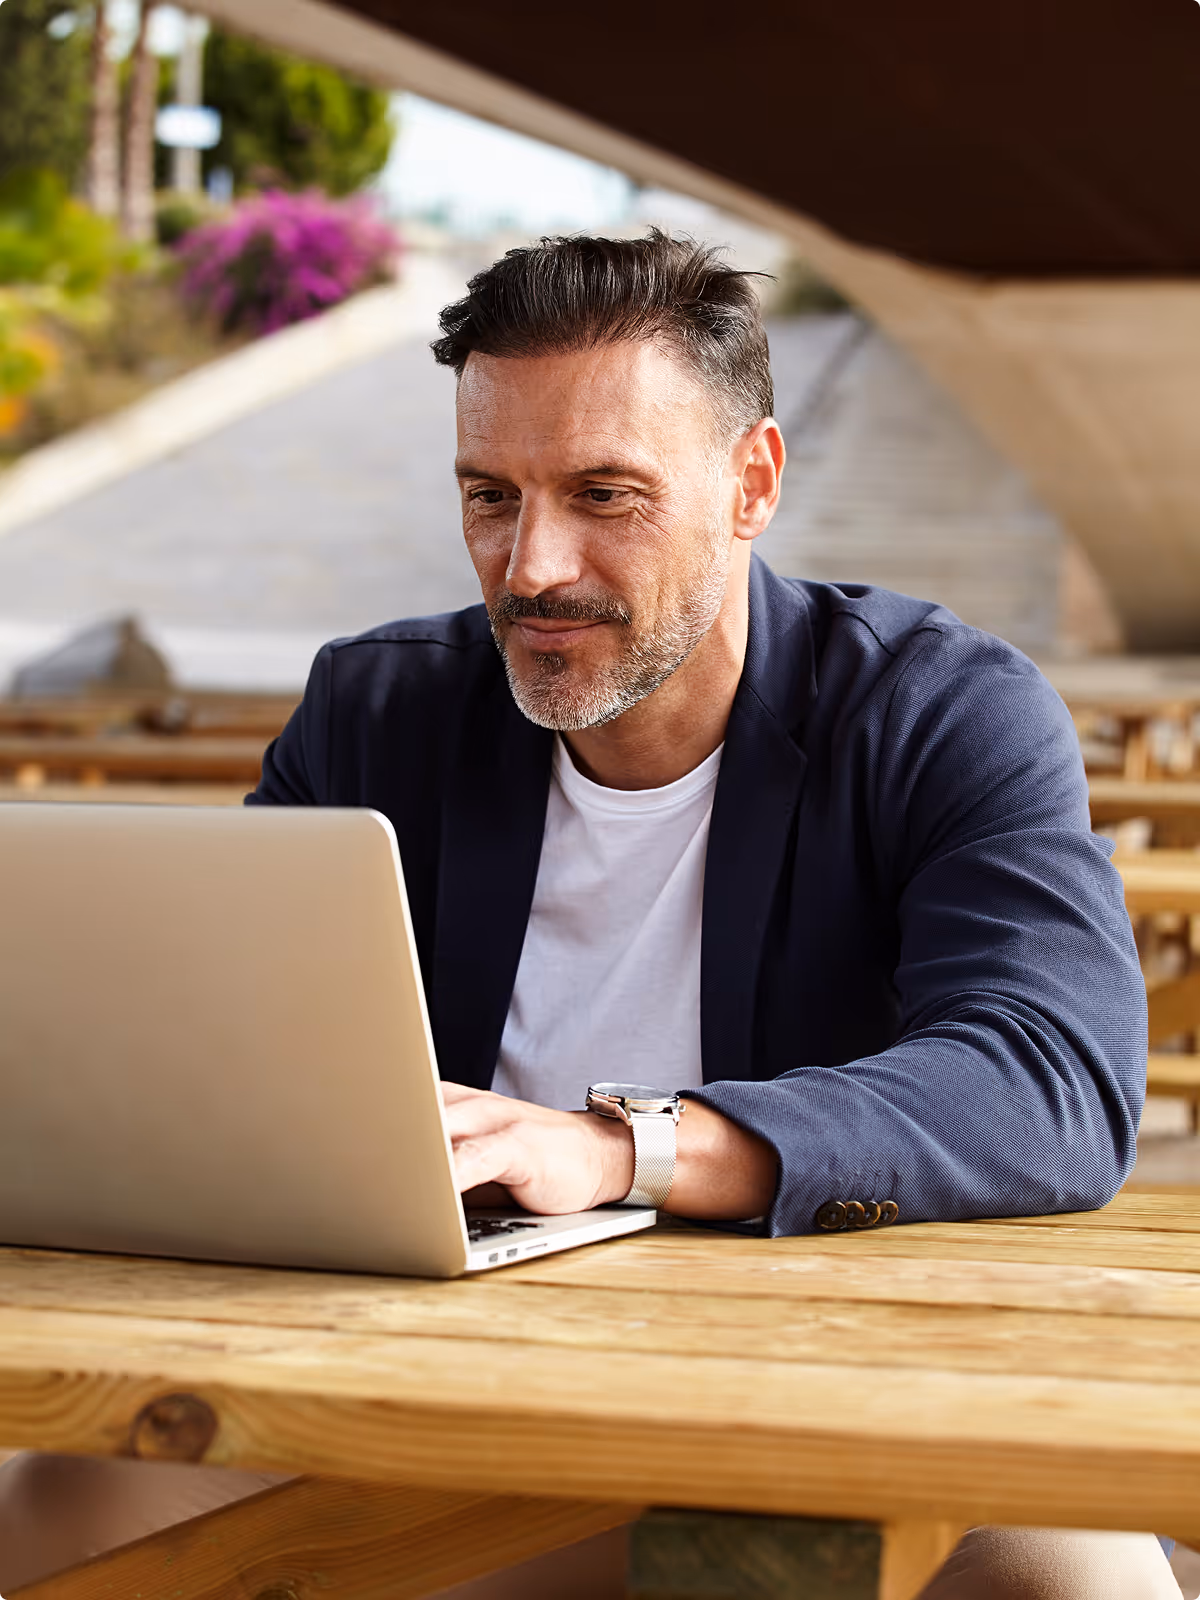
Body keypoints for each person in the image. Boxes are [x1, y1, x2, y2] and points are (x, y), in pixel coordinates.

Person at [0, 232, 1177, 1598]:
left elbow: (1054, 1078)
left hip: (852, 1394)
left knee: (1078, 1587)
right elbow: (228, 1075)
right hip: (438, 1393)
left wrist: (626, 1149)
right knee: (54, 1513)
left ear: (752, 483)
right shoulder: (377, 714)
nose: (533, 565)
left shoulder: (940, 711)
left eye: (604, 494)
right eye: (490, 495)